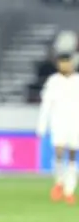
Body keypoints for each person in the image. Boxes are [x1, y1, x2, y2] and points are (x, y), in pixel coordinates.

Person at [37, 53, 79, 204]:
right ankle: (60, 181)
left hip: (75, 123)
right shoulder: (53, 81)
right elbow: (46, 105)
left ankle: (69, 190)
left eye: (67, 63)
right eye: (62, 63)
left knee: (73, 156)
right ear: (58, 64)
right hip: (59, 123)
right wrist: (42, 126)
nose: (65, 66)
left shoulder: (77, 80)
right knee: (59, 153)